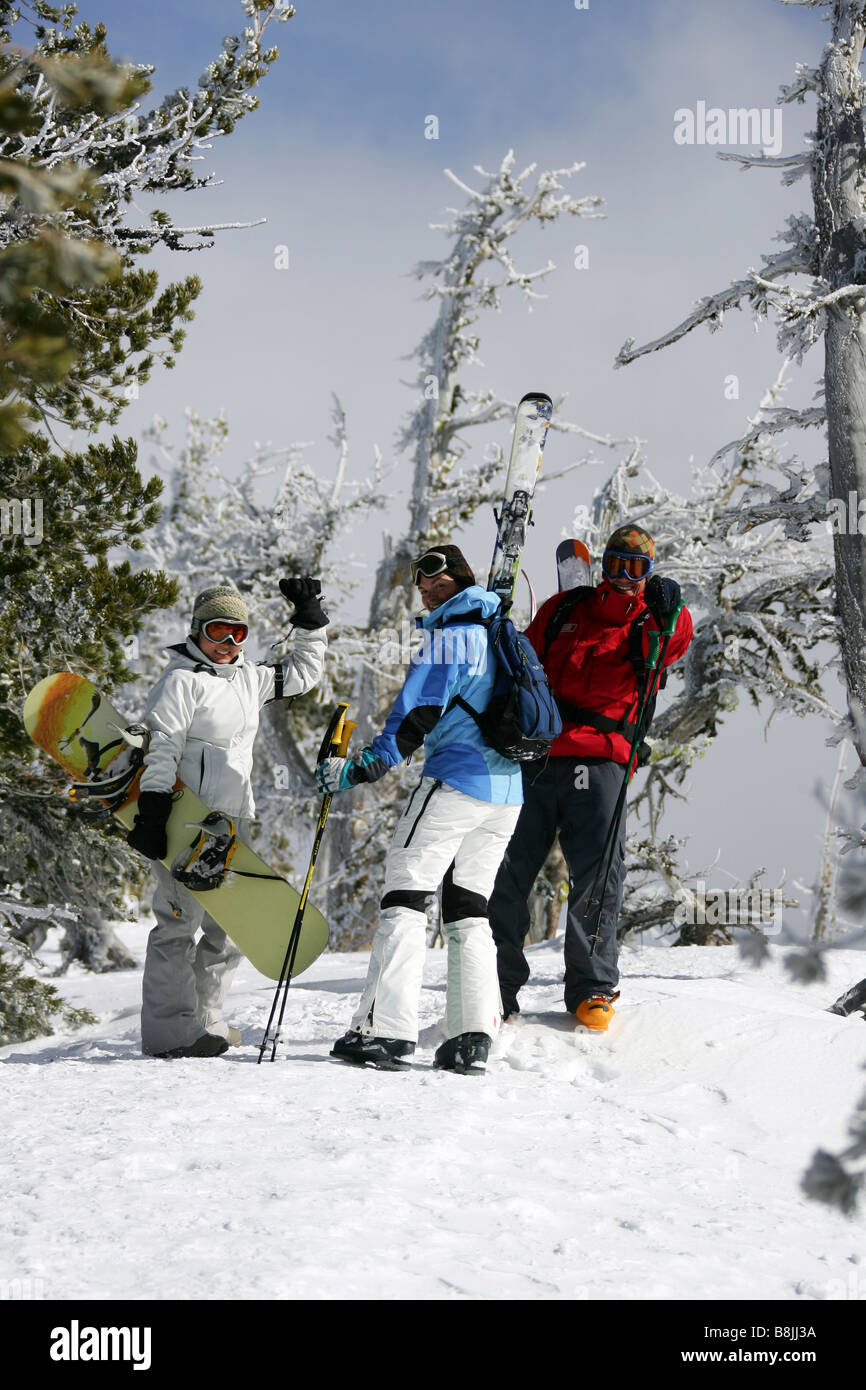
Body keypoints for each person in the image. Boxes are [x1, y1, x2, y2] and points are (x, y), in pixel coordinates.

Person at [317, 544, 522, 1075]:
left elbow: (416, 714)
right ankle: (470, 1037)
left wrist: (361, 768)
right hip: (507, 796)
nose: (427, 590)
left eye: (437, 581)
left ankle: (385, 1032)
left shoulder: (452, 638)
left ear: (460, 581)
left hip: (454, 782)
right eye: (421, 585)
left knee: (405, 895)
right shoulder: (501, 635)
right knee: (468, 906)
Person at [488, 524, 693, 1030]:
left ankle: (592, 988)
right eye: (618, 564)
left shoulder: (652, 621)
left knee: (598, 877)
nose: (626, 577)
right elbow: (521, 661)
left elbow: (676, 641)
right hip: (536, 758)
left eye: (637, 568)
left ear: (648, 574)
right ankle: (494, 984)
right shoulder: (562, 612)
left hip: (601, 761)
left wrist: (673, 611)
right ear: (604, 564)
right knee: (507, 871)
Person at [128, 579, 329, 1058]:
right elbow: (163, 746)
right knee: (179, 922)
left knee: (228, 925)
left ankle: (207, 1021)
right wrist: (154, 807)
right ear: (198, 631)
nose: (228, 645)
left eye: (238, 634)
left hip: (231, 821)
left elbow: (303, 676)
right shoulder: (180, 682)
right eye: (219, 632)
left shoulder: (250, 678)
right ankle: (169, 1032)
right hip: (185, 819)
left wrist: (310, 620)